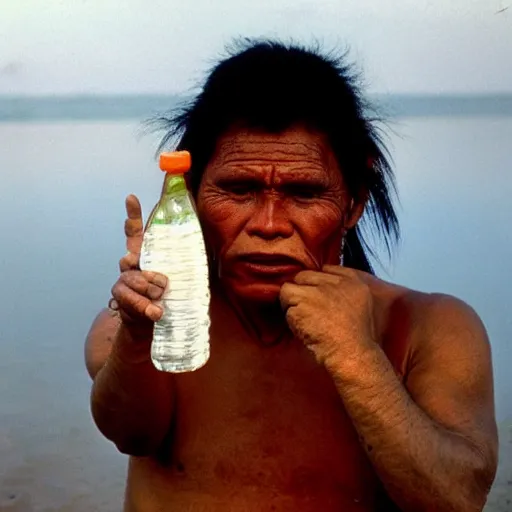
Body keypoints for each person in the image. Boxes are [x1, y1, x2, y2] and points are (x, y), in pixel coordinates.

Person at [84, 39, 498, 512]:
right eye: (238, 189)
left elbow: (458, 499)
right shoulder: (139, 323)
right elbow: (131, 433)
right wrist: (140, 332)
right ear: (194, 193)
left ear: (354, 202)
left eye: (303, 193)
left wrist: (356, 358)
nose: (268, 225)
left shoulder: (428, 329)